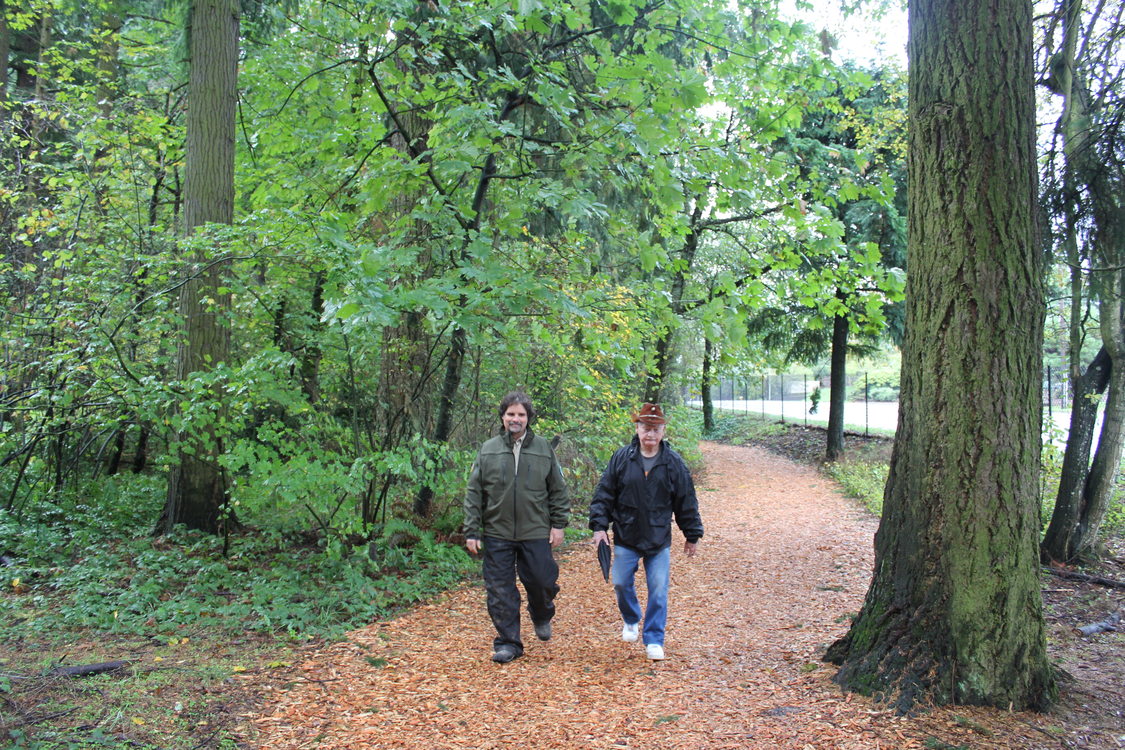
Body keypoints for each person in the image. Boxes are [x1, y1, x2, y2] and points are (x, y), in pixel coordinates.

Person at [589, 403, 703, 660]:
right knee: (620, 582)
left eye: (655, 428)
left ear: (663, 431)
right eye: (645, 427)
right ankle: (631, 618)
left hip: (658, 537)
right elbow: (604, 493)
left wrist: (692, 534)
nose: (650, 433)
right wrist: (599, 527)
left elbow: (686, 500)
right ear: (637, 429)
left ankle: (654, 639)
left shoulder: (673, 463)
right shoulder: (621, 458)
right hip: (626, 534)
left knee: (659, 588)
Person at [463, 391, 570, 663]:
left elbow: (557, 489)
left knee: (542, 581)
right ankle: (508, 643)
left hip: (535, 530)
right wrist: (472, 530)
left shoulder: (544, 448)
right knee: (500, 590)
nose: (515, 419)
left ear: (528, 418)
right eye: (511, 414)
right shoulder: (488, 450)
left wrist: (558, 525)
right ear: (503, 417)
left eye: (521, 414)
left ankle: (542, 612)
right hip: (497, 531)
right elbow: (474, 492)